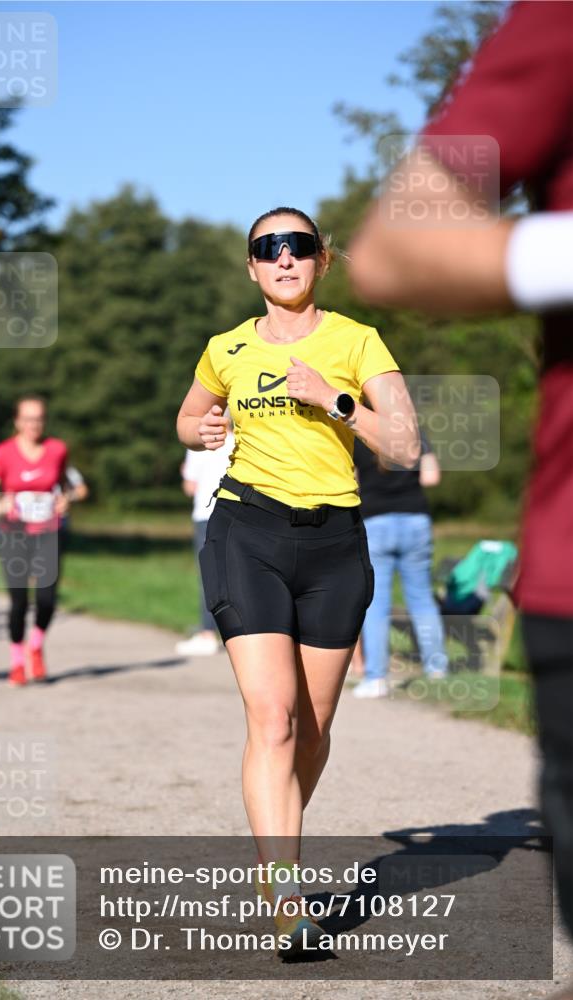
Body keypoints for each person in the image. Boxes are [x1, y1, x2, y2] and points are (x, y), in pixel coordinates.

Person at [347, 0, 573, 939]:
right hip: (507, 542)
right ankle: (413, 670)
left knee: (398, 596)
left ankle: (402, 672)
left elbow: (409, 466)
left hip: (394, 522)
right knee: (397, 596)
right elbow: (396, 246)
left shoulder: (376, 422)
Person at [176, 207, 420, 957]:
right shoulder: (225, 348)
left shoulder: (356, 340)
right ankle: (287, 895)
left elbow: (405, 444)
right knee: (273, 718)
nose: (284, 258)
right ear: (252, 265)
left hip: (335, 544)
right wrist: (201, 430)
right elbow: (188, 419)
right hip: (246, 531)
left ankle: (272, 850)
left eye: (299, 246)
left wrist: (334, 401)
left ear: (322, 259)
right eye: (268, 248)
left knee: (311, 729)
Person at [0, 396, 69, 686]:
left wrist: (64, 500)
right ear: (17, 421)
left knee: (47, 599)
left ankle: (36, 645)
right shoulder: (3, 452)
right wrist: (0, 506)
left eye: (39, 418)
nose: (34, 424)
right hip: (14, 533)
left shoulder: (57, 449)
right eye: (28, 419)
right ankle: (17, 661)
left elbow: (65, 486)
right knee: (18, 601)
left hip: (48, 532)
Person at [352, 435, 448, 698]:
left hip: (375, 521)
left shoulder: (360, 434)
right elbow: (431, 477)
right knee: (422, 598)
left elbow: (354, 482)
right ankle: (437, 669)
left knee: (376, 603)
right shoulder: (414, 433)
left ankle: (376, 678)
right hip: (415, 518)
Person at [176, 425, 235, 656]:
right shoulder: (241, 439)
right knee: (236, 575)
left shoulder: (200, 443)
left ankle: (207, 633)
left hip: (207, 514)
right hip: (238, 514)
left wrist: (185, 473)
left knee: (209, 577)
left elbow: (190, 486)